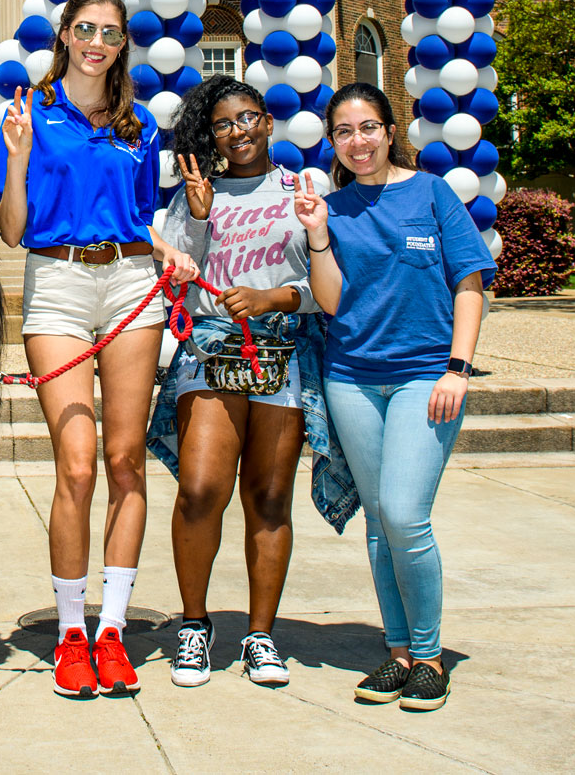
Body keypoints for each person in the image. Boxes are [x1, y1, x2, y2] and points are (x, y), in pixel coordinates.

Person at [0, 0, 197, 699]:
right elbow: (12, 229)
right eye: (85, 28)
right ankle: (69, 631)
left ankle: (112, 629)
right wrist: (15, 160)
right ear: (64, 35)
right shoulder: (31, 114)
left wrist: (172, 248)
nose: (96, 41)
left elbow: (139, 217)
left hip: (131, 281)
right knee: (76, 466)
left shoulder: (139, 125)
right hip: (58, 286)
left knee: (124, 458)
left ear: (120, 43)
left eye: (108, 31)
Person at [145, 75, 357, 691]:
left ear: (268, 122)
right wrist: (201, 219)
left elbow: (330, 286)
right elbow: (178, 283)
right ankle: (193, 624)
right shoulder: (194, 194)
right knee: (202, 489)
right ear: (209, 135)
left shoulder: (305, 186)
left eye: (247, 118)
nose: (236, 131)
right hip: (212, 352)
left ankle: (261, 636)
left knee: (267, 498)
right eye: (222, 124)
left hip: (283, 353)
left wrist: (272, 297)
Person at [294, 80, 491, 714]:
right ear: (333, 139)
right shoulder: (335, 208)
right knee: (380, 521)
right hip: (351, 377)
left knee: (406, 514)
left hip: (426, 378)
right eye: (344, 132)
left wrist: (458, 368)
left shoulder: (431, 192)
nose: (357, 141)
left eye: (368, 128)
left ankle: (431, 659)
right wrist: (319, 235)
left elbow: (469, 282)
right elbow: (329, 302)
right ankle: (400, 651)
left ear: (388, 129)